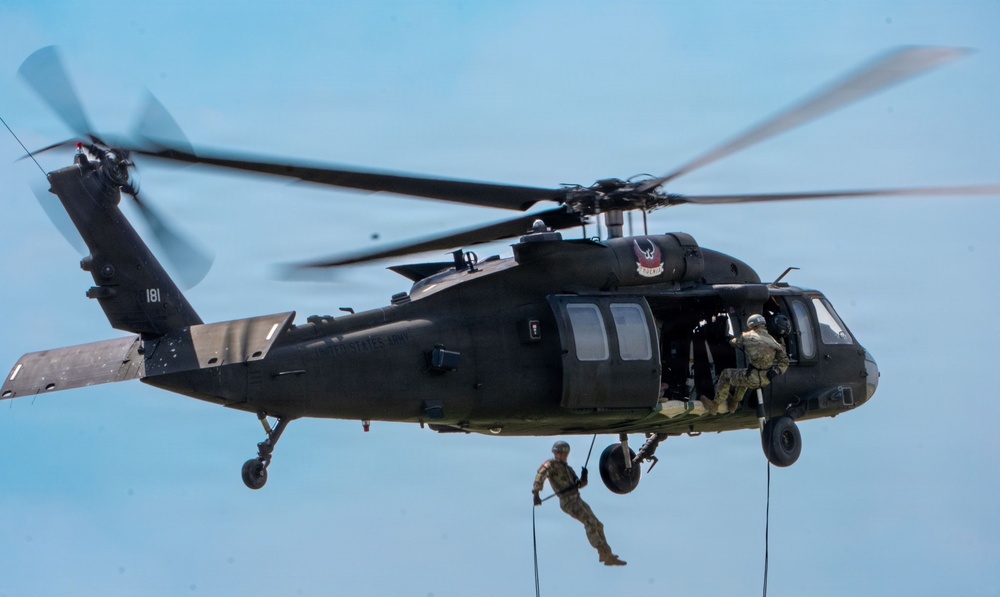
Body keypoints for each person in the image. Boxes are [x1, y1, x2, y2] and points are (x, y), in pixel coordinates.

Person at [532, 441, 626, 566]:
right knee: (589, 522)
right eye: (563, 454)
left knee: (597, 524)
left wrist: (584, 477)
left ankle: (606, 555)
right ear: (557, 453)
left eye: (566, 454)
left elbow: (579, 485)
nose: (565, 456)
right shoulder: (551, 465)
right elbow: (540, 475)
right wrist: (536, 493)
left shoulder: (568, 469)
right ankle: (604, 554)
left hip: (577, 499)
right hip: (568, 501)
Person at [701, 314, 789, 414]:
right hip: (766, 379)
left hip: (753, 378)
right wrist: (776, 371)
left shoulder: (746, 336)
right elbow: (785, 361)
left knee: (726, 374)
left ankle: (716, 404)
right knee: (744, 376)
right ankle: (734, 403)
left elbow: (733, 343)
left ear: (751, 325)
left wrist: (731, 340)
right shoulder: (773, 341)